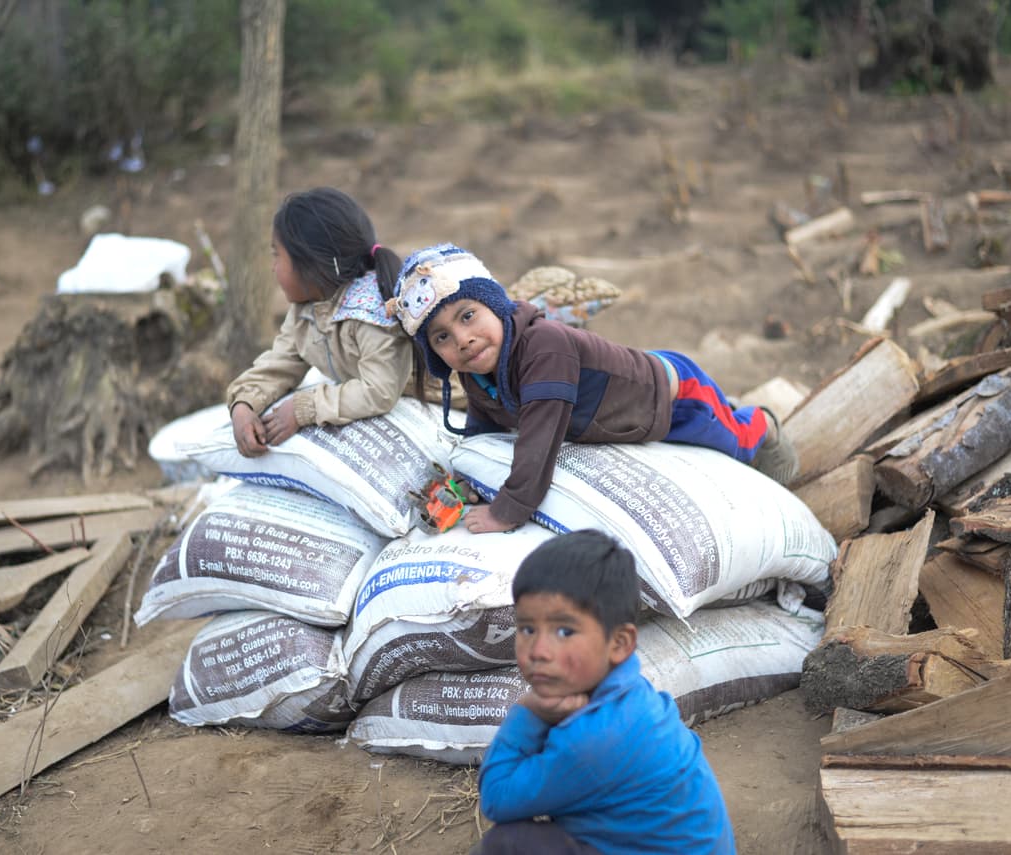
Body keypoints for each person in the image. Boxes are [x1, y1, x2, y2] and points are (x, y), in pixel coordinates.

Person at [387, 243, 798, 533]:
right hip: (615, 401)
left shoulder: (545, 347)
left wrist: (506, 512)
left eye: (468, 315)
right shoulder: (478, 373)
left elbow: (539, 441)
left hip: (670, 396)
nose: (461, 339)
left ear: (497, 305)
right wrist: (468, 480)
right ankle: (732, 407)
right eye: (441, 338)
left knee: (733, 443)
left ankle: (763, 423)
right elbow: (483, 428)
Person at [474, 530, 737, 855]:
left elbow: (497, 798)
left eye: (564, 631)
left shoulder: (595, 740)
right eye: (527, 629)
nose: (538, 650)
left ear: (619, 644)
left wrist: (526, 714)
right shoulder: (628, 695)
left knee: (508, 845)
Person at [227, 187, 412, 456]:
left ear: (310, 262)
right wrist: (244, 404)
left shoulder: (372, 311)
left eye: (277, 255)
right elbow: (280, 363)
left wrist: (305, 408)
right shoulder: (307, 309)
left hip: (448, 400)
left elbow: (379, 390)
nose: (273, 267)